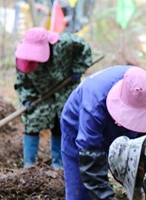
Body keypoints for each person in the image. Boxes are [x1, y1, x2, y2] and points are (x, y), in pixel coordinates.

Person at [60, 65, 146, 200]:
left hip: (131, 121)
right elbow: (90, 159)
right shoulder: (93, 105)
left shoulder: (145, 90)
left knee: (141, 167)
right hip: (77, 126)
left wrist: (138, 185)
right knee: (78, 191)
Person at [15, 27, 92, 168]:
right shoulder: (23, 56)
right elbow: (23, 83)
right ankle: (28, 164)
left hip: (64, 88)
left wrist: (77, 68)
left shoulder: (66, 42)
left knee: (61, 123)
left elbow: (84, 48)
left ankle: (59, 165)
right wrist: (27, 99)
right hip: (39, 93)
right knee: (32, 121)